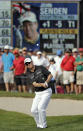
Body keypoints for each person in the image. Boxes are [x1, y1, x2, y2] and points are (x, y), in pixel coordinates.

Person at [24, 57, 52, 128]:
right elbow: (34, 84)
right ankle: (39, 124)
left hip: (46, 92)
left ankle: (44, 125)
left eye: (29, 63)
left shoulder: (40, 68)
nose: (28, 64)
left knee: (41, 108)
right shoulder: (28, 73)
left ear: (32, 62)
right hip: (38, 93)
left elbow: (50, 75)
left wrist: (46, 82)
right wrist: (42, 84)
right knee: (33, 110)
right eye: (26, 64)